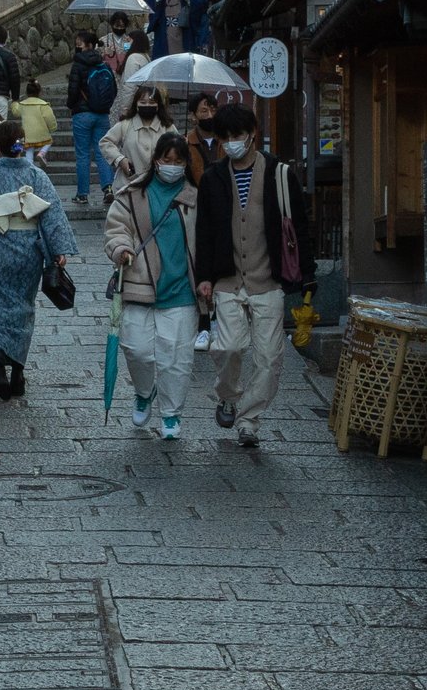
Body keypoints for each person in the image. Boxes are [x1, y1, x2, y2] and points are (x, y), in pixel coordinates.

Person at [194, 103, 311, 449]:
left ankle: (249, 419)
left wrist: (308, 275)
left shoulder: (279, 174)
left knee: (270, 356)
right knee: (228, 346)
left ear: (252, 134)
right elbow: (204, 230)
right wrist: (204, 277)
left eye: (237, 136)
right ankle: (228, 395)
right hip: (227, 278)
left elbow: (299, 227)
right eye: (225, 137)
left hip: (268, 278)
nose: (232, 142)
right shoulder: (213, 178)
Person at [0, 119, 77, 400]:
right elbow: (52, 214)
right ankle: (18, 369)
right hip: (28, 250)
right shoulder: (36, 176)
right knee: (23, 306)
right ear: (22, 145)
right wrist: (58, 250)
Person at [104, 132, 202, 440]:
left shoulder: (195, 198)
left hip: (181, 289)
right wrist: (121, 249)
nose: (171, 166)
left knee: (176, 355)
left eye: (178, 161)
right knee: (137, 349)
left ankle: (171, 413)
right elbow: (116, 228)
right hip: (138, 281)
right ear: (155, 160)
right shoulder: (132, 194)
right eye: (166, 159)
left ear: (186, 164)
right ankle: (144, 392)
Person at [182, 98, 228, 349]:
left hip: (225, 207)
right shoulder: (186, 142)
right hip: (196, 207)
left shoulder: (225, 140)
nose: (209, 114)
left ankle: (221, 320)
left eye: (212, 109)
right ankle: (202, 324)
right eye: (203, 110)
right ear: (193, 115)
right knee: (199, 262)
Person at [66, 30, 118, 210]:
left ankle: (82, 195)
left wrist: (72, 105)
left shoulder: (78, 65)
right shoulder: (102, 64)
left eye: (79, 42)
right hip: (102, 114)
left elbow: (73, 91)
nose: (77, 44)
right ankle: (108, 188)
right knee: (102, 152)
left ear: (86, 44)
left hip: (82, 114)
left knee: (83, 155)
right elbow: (114, 89)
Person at [101, 84, 169, 192]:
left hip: (158, 187)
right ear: (136, 104)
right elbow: (105, 142)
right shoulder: (125, 124)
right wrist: (120, 159)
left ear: (158, 105)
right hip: (127, 186)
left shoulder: (167, 127)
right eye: (143, 102)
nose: (147, 105)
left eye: (151, 102)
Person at [12, 79, 58, 170]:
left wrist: (14, 103)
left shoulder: (22, 105)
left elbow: (16, 112)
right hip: (41, 133)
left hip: (27, 134)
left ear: (26, 92)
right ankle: (42, 153)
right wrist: (53, 128)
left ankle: (30, 167)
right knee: (50, 141)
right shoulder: (44, 105)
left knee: (29, 150)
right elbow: (49, 118)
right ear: (39, 92)